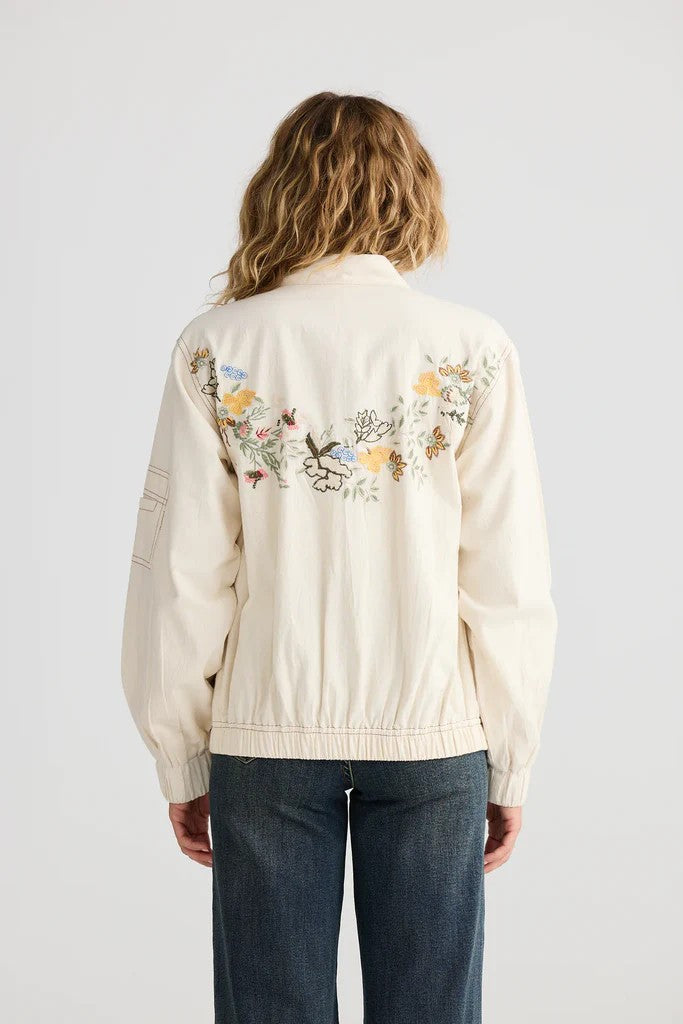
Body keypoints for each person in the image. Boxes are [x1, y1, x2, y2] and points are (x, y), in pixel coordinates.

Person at [122, 91, 557, 1024]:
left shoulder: (218, 346)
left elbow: (182, 576)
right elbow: (507, 576)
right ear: (414, 193)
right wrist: (510, 761)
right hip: (434, 735)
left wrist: (182, 758)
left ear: (278, 188)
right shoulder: (472, 349)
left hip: (266, 735)